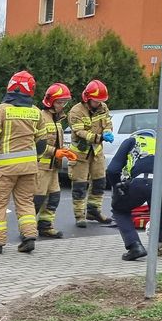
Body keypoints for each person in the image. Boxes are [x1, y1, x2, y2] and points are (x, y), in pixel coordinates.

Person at [0, 71, 45, 254]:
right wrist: (35, 160)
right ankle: (29, 237)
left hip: (5, 169)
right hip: (29, 168)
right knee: (26, 202)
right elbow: (42, 143)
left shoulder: (2, 110)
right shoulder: (36, 112)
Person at [106, 129, 162, 260]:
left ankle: (134, 246)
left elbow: (112, 170)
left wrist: (117, 187)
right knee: (161, 206)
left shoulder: (132, 141)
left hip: (145, 180)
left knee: (119, 210)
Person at [68, 79, 114, 227]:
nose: (98, 103)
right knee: (80, 185)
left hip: (97, 153)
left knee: (100, 182)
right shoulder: (76, 111)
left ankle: (94, 211)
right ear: (87, 98)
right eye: (96, 101)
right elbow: (80, 132)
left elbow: (107, 123)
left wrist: (108, 132)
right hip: (80, 154)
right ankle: (79, 215)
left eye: (101, 101)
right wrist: (99, 137)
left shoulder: (103, 107)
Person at [35, 83, 78, 239]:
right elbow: (35, 144)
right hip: (41, 167)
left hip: (53, 167)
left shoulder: (57, 120)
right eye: (59, 102)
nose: (62, 105)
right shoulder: (40, 118)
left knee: (54, 197)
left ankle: (45, 226)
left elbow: (56, 142)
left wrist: (66, 151)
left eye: (64, 102)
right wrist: (55, 152)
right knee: (36, 199)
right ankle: (27, 229)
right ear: (50, 101)